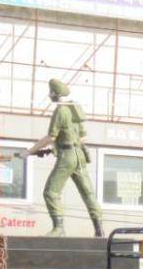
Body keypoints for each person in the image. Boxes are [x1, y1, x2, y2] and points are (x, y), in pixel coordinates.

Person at [18, 78, 102, 238]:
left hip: (67, 157)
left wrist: (29, 152)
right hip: (79, 156)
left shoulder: (60, 110)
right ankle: (99, 230)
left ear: (55, 94)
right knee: (88, 193)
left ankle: (59, 228)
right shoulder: (76, 108)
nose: (49, 96)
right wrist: (55, 148)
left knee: (50, 192)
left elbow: (50, 136)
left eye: (50, 93)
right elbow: (82, 137)